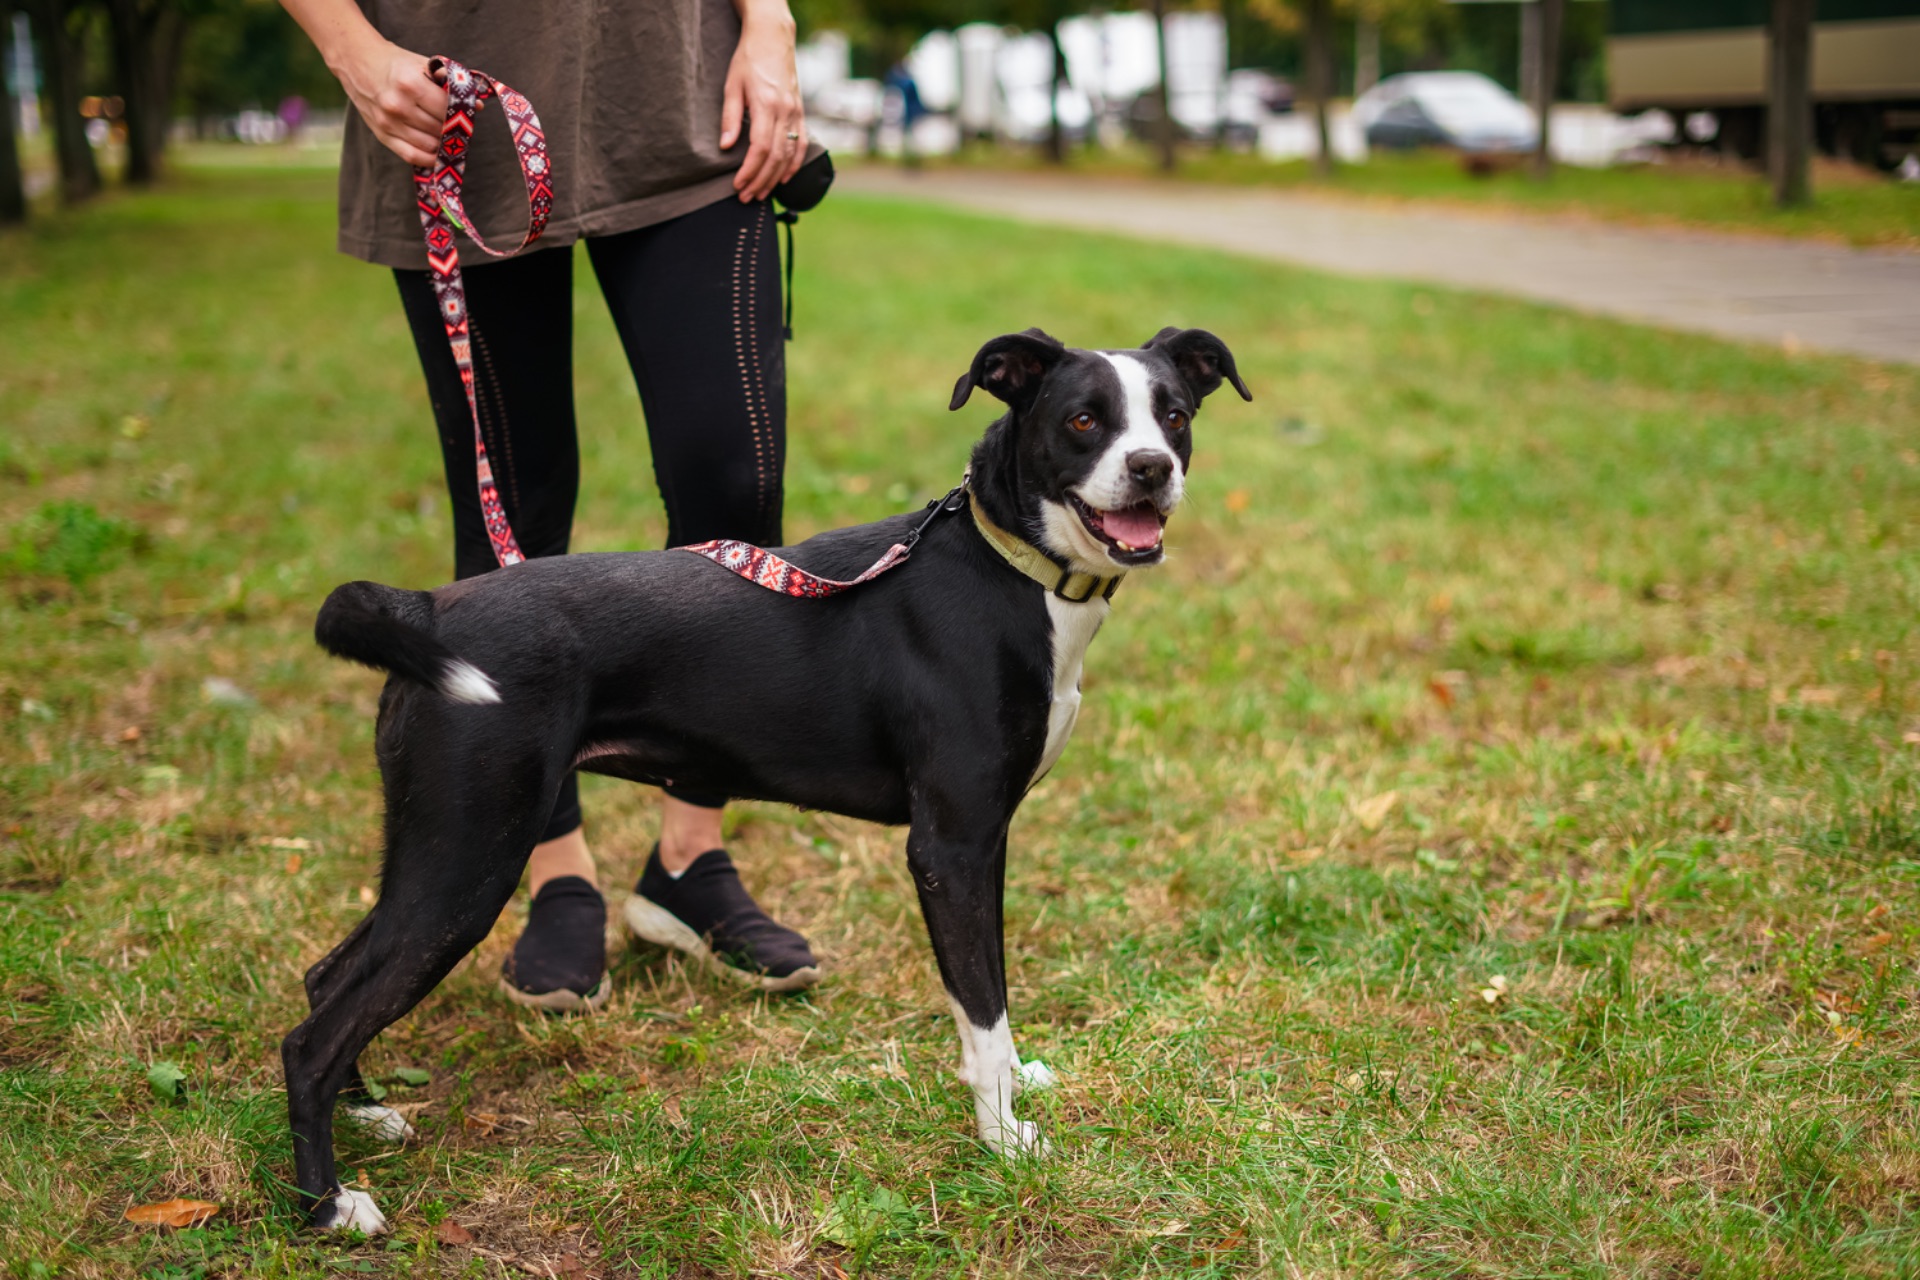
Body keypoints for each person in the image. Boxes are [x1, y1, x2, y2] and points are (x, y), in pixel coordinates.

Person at [281, 0, 822, 1009]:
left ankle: (690, 855)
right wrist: (353, 53)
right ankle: (555, 866)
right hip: (452, 98)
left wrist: (770, 23)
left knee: (734, 484)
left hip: (684, 89)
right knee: (511, 515)